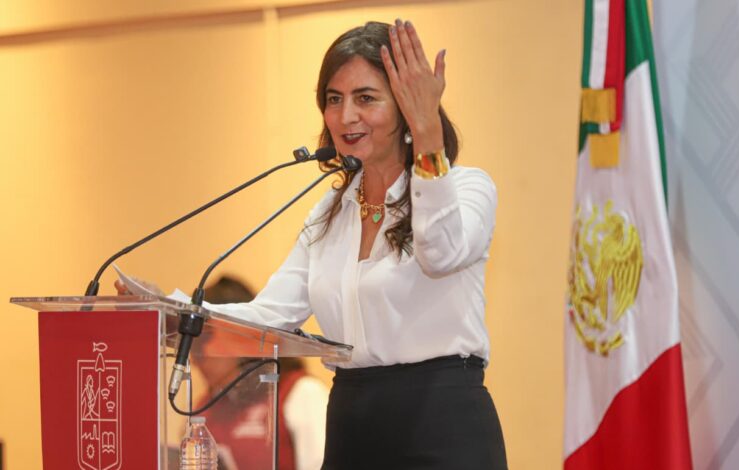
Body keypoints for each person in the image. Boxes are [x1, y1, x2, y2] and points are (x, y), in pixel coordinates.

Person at [205, 20, 507, 469]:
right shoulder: (329, 212)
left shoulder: (467, 188)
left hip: (442, 422)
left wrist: (428, 135)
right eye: (334, 99)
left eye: (365, 98)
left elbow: (440, 255)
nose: (346, 116)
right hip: (352, 424)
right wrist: (168, 311)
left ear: (406, 107)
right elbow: (269, 316)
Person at [191, 275, 330, 470]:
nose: (195, 357)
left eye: (203, 339)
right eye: (191, 343)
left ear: (241, 333)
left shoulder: (302, 393)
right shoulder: (205, 407)